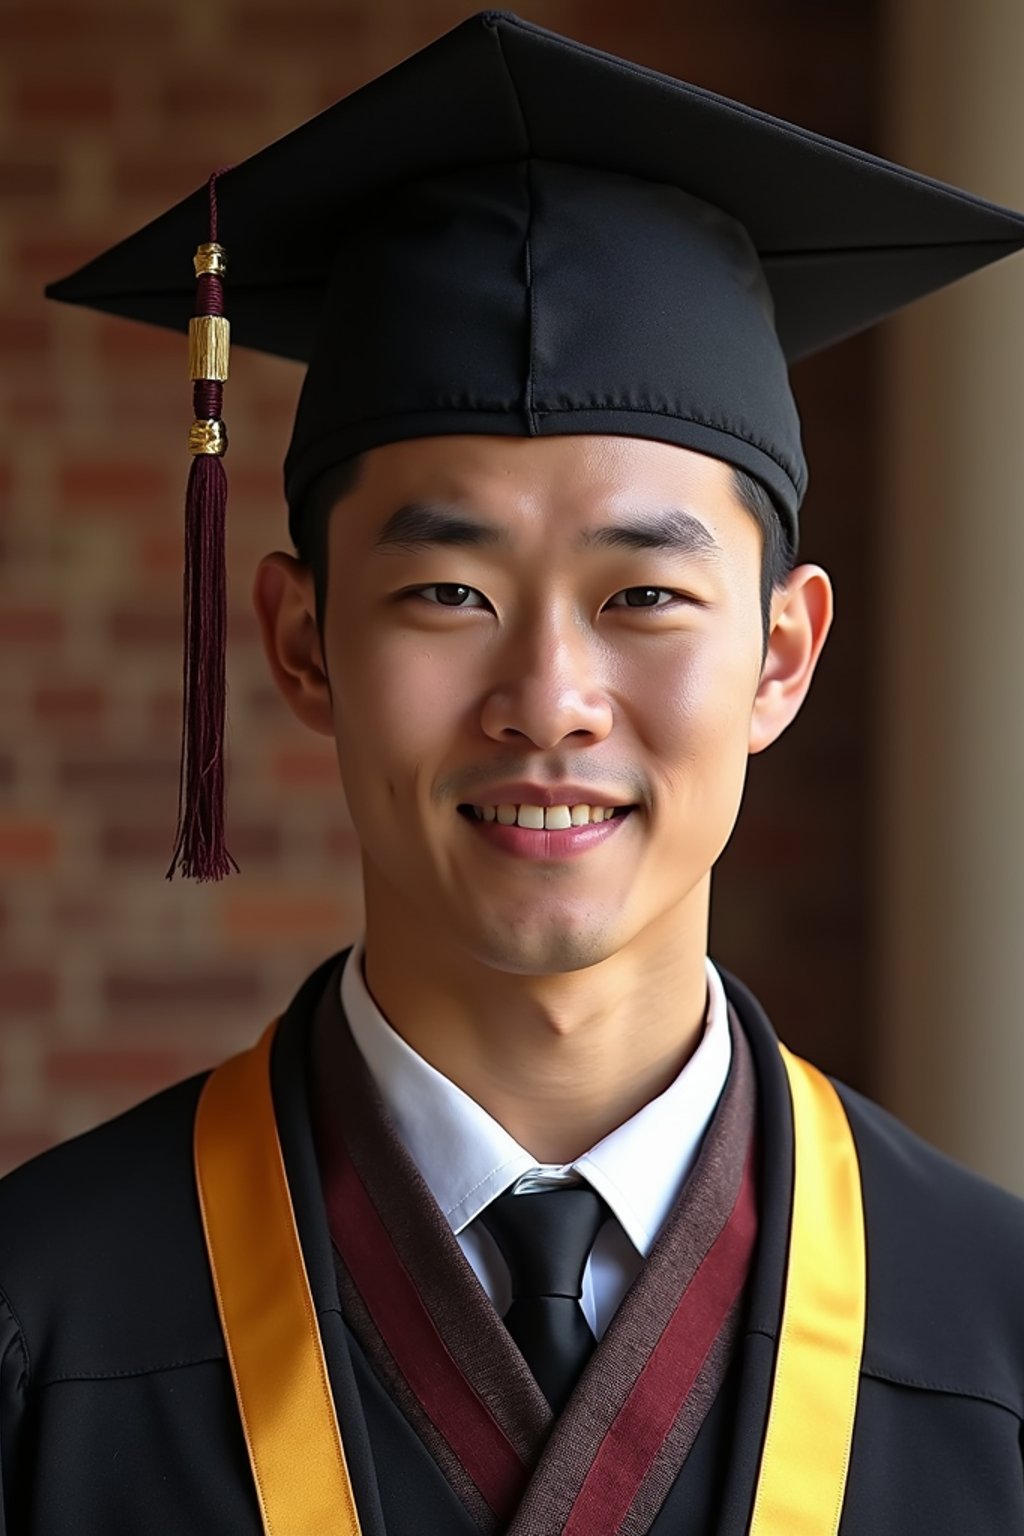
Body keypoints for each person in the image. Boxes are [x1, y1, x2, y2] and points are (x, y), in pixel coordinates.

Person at [3, 12, 1024, 1534]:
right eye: (447, 594)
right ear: (299, 643)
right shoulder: (41, 1325)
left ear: (782, 656)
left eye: (645, 597)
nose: (549, 702)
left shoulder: (992, 1334)